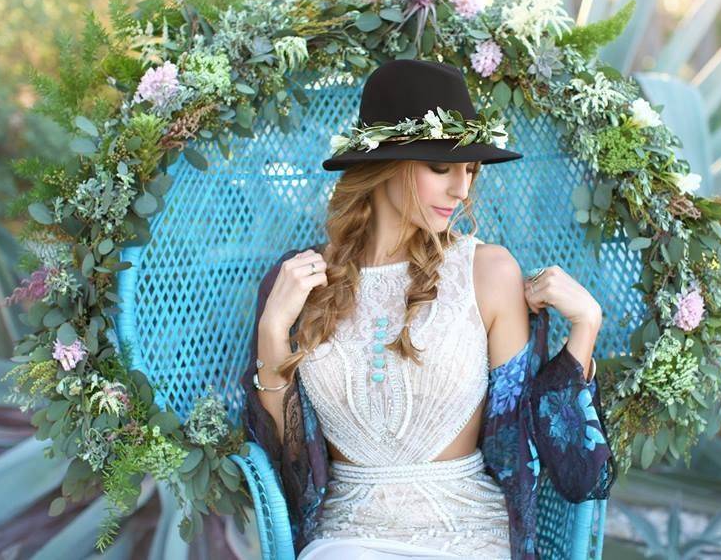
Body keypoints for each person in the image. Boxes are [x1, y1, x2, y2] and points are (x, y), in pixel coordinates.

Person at [242, 59, 617, 559]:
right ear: (384, 166)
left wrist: (584, 328)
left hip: (466, 534)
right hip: (346, 539)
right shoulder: (301, 280)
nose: (460, 189)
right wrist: (273, 326)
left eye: (468, 170)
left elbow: (549, 449)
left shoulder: (487, 272)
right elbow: (286, 461)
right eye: (441, 168)